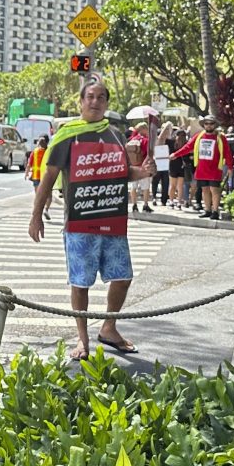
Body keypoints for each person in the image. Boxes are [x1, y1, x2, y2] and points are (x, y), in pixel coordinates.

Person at [29, 78, 154, 359]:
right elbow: (48, 176)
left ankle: (109, 327)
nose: (95, 102)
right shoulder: (66, 135)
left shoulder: (114, 135)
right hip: (79, 221)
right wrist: (36, 215)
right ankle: (82, 339)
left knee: (122, 277)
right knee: (81, 281)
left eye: (101, 98)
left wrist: (142, 171)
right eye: (90, 97)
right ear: (81, 101)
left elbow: (124, 173)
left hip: (113, 218)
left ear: (107, 103)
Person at [176, 115, 234, 219]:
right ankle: (207, 210)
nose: (208, 126)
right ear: (203, 125)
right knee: (205, 190)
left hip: (215, 169)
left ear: (215, 125)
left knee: (215, 190)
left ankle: (215, 211)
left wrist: (230, 167)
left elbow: (227, 153)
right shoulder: (199, 136)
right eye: (206, 123)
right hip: (201, 168)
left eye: (211, 123)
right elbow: (188, 147)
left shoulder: (221, 137)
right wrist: (176, 154)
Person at [27, 134, 53, 221]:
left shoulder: (35, 151)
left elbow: (29, 164)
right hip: (46, 176)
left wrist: (26, 173)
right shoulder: (49, 151)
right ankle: (46, 209)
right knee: (49, 196)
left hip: (36, 176)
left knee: (38, 195)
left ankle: (36, 212)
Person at [127, 124, 152, 213]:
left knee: (133, 187)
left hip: (133, 167)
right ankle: (145, 205)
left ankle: (134, 205)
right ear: (143, 129)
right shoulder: (146, 140)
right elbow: (149, 154)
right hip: (143, 167)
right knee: (145, 187)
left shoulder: (131, 140)